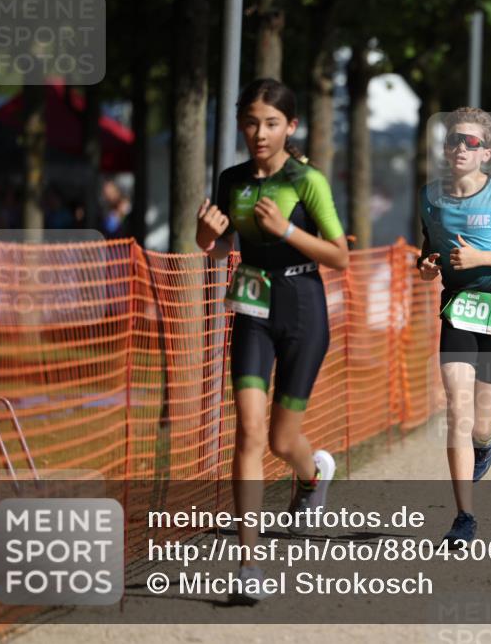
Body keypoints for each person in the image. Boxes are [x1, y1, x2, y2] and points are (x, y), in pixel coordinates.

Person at [195, 78, 350, 604]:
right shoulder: (231, 179)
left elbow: (339, 255)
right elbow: (219, 247)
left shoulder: (307, 180)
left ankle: (312, 475)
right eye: (251, 123)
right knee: (248, 433)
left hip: (303, 306)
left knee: (283, 442)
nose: (259, 133)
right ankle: (248, 564)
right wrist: (205, 235)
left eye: (271, 123)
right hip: (252, 305)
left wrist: (286, 230)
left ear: (291, 126)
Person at [417, 107, 491, 544]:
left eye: (471, 142)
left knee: (479, 424)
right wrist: (426, 266)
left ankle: (486, 441)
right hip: (457, 308)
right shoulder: (430, 196)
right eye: (454, 139)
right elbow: (428, 248)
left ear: (486, 153)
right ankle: (464, 517)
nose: (461, 148)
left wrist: (481, 258)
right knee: (457, 408)